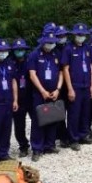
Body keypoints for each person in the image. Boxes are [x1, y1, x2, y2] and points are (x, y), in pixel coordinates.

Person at [28, 30, 63, 161]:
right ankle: (37, 148)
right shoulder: (34, 55)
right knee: (38, 120)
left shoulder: (56, 54)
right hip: (39, 92)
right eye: (48, 42)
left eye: (52, 43)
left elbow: (61, 72)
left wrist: (58, 89)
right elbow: (32, 74)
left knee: (52, 117)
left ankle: (50, 144)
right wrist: (42, 90)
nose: (50, 45)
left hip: (54, 91)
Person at [61, 24, 92, 148]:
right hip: (75, 86)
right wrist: (70, 88)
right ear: (74, 35)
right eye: (78, 34)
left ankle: (83, 134)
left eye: (83, 35)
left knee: (85, 112)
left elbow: (91, 67)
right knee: (74, 113)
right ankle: (73, 138)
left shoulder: (87, 48)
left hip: (86, 85)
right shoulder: (68, 48)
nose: (80, 37)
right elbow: (65, 69)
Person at [10, 39, 32, 156]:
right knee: (19, 125)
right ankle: (23, 146)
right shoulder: (9, 63)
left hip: (31, 96)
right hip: (17, 98)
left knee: (38, 121)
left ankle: (39, 143)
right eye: (17, 50)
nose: (20, 51)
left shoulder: (30, 60)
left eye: (21, 49)